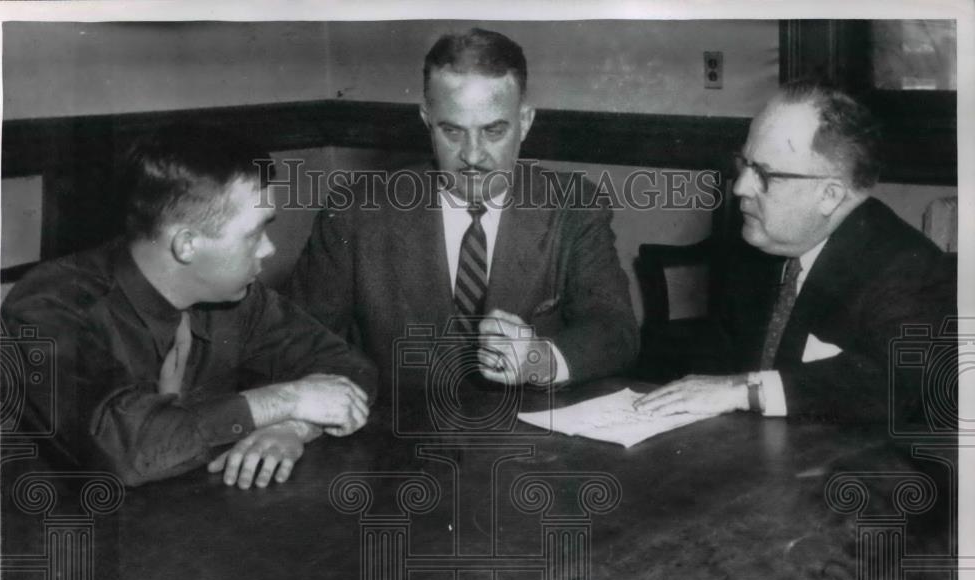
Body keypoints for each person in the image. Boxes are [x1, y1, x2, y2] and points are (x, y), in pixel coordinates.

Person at [2, 124, 377, 489]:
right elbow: (124, 450)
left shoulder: (236, 298)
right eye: (254, 234)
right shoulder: (49, 306)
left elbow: (346, 367)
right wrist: (285, 400)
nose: (269, 249)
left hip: (186, 520)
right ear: (186, 245)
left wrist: (292, 427)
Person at [285, 27, 638, 392]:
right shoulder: (355, 213)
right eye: (452, 132)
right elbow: (296, 343)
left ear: (526, 122)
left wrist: (538, 359)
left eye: (493, 131)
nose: (472, 155)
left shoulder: (574, 206)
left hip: (528, 439)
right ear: (427, 121)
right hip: (397, 436)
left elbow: (615, 330)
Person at [632, 81, 954, 426]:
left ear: (829, 195)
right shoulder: (757, 247)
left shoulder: (908, 269)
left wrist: (744, 390)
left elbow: (889, 385)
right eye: (744, 163)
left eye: (765, 174)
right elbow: (715, 365)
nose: (740, 187)